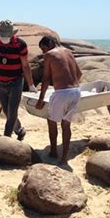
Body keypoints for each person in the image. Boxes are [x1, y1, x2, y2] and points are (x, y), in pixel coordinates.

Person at [35, 35, 82, 164]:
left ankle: (54, 151)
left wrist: (40, 99)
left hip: (62, 93)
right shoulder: (69, 52)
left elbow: (46, 79)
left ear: (50, 43)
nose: (44, 52)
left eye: (43, 48)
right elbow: (79, 74)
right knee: (66, 125)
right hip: (76, 91)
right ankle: (64, 157)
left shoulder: (49, 55)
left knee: (51, 121)